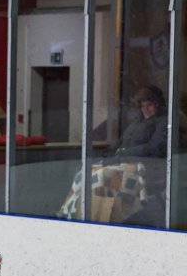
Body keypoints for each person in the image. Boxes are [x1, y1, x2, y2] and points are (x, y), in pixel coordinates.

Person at [58, 85, 167, 224]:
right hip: (122, 161)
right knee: (85, 172)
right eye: (143, 105)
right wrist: (109, 152)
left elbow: (153, 148)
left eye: (150, 105)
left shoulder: (162, 122)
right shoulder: (136, 122)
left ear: (157, 105)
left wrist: (122, 154)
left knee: (103, 176)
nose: (146, 109)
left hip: (144, 167)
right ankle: (70, 211)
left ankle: (100, 218)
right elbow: (121, 141)